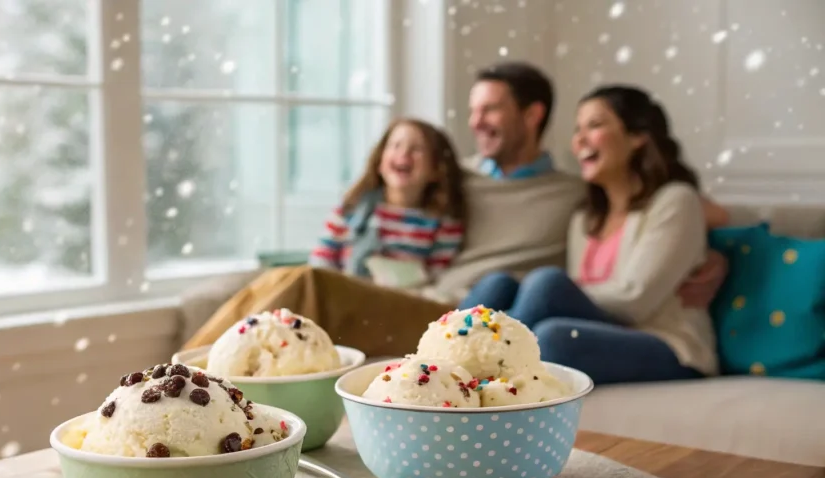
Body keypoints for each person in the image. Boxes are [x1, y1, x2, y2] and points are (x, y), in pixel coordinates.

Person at [182, 62, 727, 364]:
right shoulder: (449, 177)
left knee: (308, 285)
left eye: (491, 109)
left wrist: (719, 255)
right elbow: (379, 188)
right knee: (290, 280)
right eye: (473, 110)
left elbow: (676, 206)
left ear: (532, 115)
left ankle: (463, 369)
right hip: (437, 299)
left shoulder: (572, 194)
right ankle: (187, 368)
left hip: (457, 310)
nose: (477, 122)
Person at [460, 85, 718, 383]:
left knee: (551, 323)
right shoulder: (585, 218)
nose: (579, 140)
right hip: (600, 328)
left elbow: (636, 300)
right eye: (577, 130)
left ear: (637, 136)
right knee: (498, 283)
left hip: (666, 343)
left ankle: (468, 374)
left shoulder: (675, 200)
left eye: (594, 126)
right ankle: (440, 363)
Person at [309, 118, 465, 284]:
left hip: (399, 301)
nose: (404, 153)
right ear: (379, 162)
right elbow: (322, 260)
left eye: (417, 149)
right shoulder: (351, 208)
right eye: (395, 145)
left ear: (437, 169)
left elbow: (437, 280)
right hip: (344, 295)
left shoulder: (443, 224)